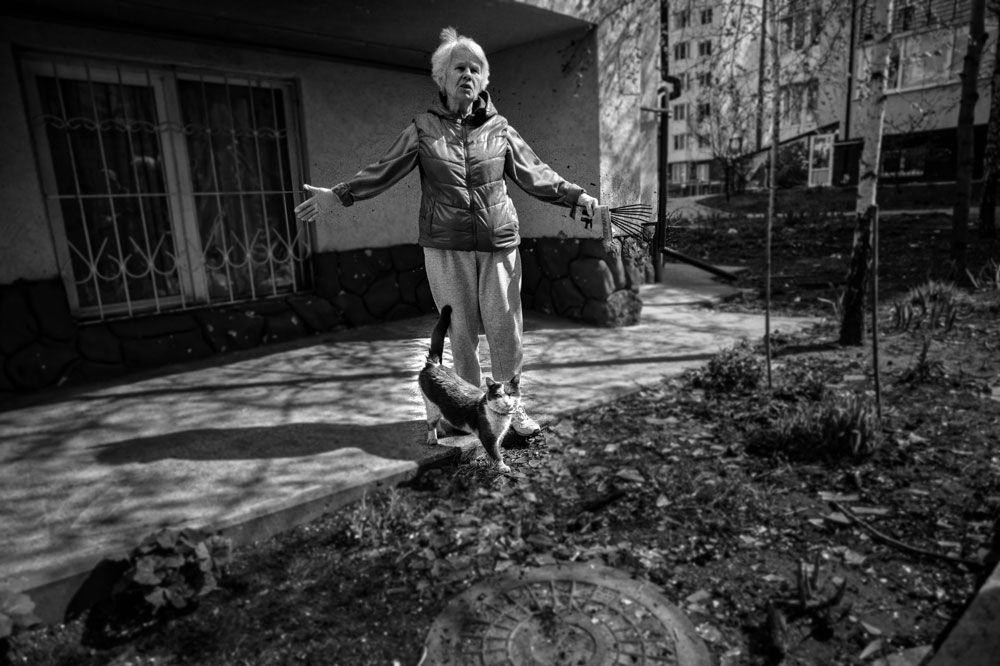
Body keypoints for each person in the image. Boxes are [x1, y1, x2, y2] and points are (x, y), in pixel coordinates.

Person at [294, 26, 599, 436]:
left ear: (484, 79)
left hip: (499, 243)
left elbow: (536, 174)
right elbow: (383, 170)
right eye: (459, 68)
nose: (468, 75)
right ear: (441, 77)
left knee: (505, 328)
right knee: (460, 333)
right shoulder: (423, 128)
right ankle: (472, 412)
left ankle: (513, 409)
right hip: (445, 245)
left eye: (476, 69)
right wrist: (340, 194)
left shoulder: (500, 129)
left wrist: (577, 197)